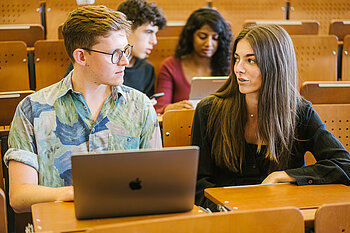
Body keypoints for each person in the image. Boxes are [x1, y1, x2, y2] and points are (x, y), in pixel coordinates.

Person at [4, 5, 162, 213]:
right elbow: (19, 196)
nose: (124, 61)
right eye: (115, 53)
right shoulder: (32, 109)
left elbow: (157, 186)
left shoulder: (141, 106)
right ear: (81, 57)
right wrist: (74, 193)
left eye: (125, 50)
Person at [191, 24, 350, 211]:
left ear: (275, 65)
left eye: (251, 61)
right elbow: (198, 183)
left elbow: (343, 164)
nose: (238, 69)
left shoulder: (299, 112)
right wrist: (222, 209)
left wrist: (284, 176)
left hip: (281, 215)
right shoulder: (208, 110)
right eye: (236, 59)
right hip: (226, 218)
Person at [63, 0, 167, 97]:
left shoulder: (146, 69)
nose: (154, 41)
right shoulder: (90, 62)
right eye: (148, 32)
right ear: (127, 28)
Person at [154, 7, 232, 114]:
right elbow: (159, 109)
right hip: (182, 126)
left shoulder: (229, 66)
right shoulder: (171, 66)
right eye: (202, 36)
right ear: (191, 36)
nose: (209, 44)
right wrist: (170, 108)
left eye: (215, 38)